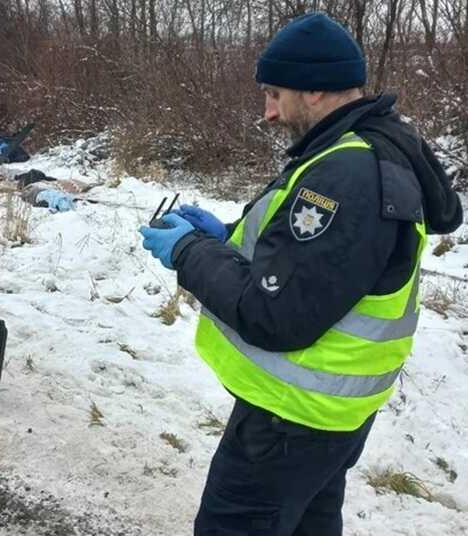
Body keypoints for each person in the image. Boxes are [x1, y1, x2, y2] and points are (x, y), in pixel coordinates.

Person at [139, 12, 463, 536]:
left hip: (289, 420)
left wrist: (190, 252)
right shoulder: (359, 148)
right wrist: (224, 236)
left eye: (273, 94)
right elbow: (317, 264)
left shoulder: (345, 174)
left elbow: (276, 315)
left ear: (313, 90)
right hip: (322, 419)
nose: (268, 113)